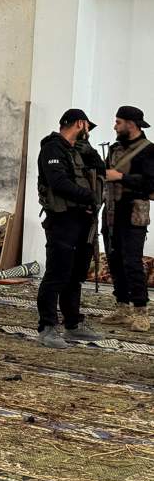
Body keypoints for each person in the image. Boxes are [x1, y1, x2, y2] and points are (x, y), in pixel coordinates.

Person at [36, 109, 106, 348]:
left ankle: (73, 324)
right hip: (63, 220)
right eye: (87, 127)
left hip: (83, 220)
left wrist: (86, 147)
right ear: (80, 123)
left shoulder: (77, 150)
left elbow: (101, 168)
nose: (88, 132)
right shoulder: (52, 149)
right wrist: (90, 196)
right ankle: (47, 327)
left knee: (75, 276)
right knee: (57, 275)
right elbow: (59, 183)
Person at [101, 106, 154, 332]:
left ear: (131, 124)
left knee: (132, 262)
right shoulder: (114, 149)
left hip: (133, 212)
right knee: (114, 260)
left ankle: (141, 312)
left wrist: (120, 177)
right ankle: (122, 307)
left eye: (118, 122)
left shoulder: (149, 151)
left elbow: (151, 185)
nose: (115, 126)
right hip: (111, 211)